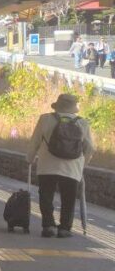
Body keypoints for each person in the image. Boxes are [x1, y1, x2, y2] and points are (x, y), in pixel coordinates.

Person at [26, 94, 94, 238]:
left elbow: (35, 141)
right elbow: (90, 148)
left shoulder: (45, 119)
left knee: (46, 196)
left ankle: (49, 226)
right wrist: (82, 164)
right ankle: (64, 229)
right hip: (72, 168)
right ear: (73, 108)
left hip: (47, 165)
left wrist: (30, 159)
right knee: (68, 199)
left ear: (58, 105)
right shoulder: (83, 123)